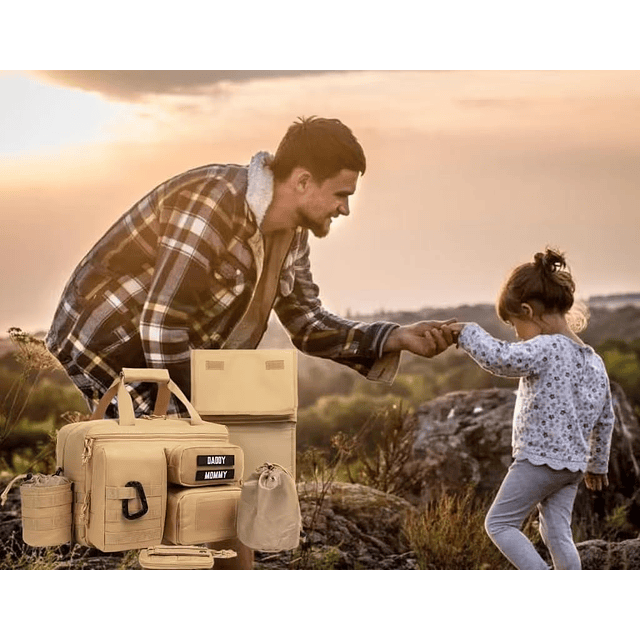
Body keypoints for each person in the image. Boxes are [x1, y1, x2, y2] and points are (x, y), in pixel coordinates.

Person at [45, 115, 456, 568]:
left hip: (177, 352)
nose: (344, 209)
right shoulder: (214, 202)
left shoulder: (292, 237)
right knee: (180, 483)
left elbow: (306, 322)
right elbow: (161, 325)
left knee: (219, 485)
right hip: (110, 341)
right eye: (341, 194)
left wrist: (397, 337)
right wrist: (199, 432)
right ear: (302, 181)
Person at [449, 248, 614, 570]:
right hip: (573, 466)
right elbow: (606, 419)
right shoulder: (595, 361)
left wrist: (466, 333)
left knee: (500, 524)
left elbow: (502, 360)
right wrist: (597, 465)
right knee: (557, 533)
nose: (516, 334)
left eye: (514, 325)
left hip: (539, 459)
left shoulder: (547, 347)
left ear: (527, 310)